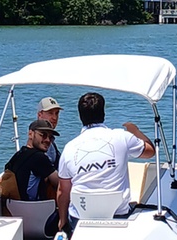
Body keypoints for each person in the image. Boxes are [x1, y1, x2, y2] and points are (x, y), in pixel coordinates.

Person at [56, 92, 155, 230]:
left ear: (80, 116)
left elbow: (63, 190)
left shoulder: (69, 148)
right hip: (118, 215)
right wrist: (135, 131)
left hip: (80, 218)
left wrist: (62, 220)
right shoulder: (122, 137)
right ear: (103, 113)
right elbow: (150, 151)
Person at [3, 119, 60, 201]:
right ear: (30, 134)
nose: (47, 140)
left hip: (16, 207)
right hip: (33, 208)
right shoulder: (39, 158)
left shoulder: (18, 155)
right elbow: (59, 183)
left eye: (51, 137)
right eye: (43, 135)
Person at [28, 97, 62, 198]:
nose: (54, 118)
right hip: (39, 203)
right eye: (50, 113)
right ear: (40, 115)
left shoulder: (50, 144)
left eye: (57, 113)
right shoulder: (38, 147)